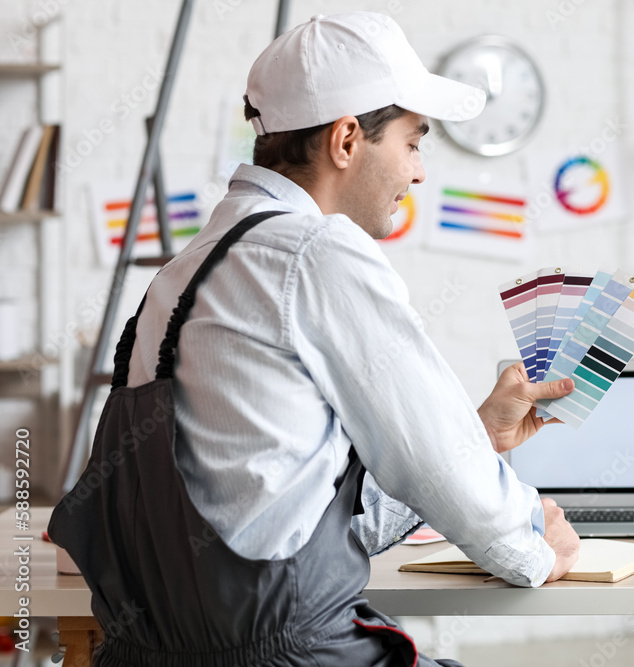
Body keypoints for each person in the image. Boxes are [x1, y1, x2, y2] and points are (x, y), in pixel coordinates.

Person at [48, 11, 580, 667]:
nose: (418, 173)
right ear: (347, 139)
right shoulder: (315, 251)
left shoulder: (183, 271)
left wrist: (479, 433)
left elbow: (291, 520)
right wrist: (535, 548)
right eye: (414, 142)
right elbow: (440, 465)